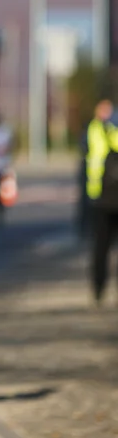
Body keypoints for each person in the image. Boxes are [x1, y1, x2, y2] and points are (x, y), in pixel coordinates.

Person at [84, 98, 118, 306]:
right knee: (101, 248)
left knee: (100, 248)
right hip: (103, 199)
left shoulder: (93, 129)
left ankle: (98, 288)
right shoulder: (105, 130)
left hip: (101, 198)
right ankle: (98, 287)